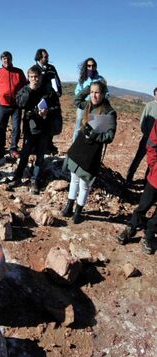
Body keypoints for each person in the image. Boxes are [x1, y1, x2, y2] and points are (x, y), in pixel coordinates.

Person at [61, 81, 116, 224]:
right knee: (74, 180)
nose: (94, 95)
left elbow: (109, 137)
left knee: (84, 184)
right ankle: (69, 207)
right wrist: (87, 88)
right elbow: (76, 100)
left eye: (97, 92)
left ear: (104, 94)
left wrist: (94, 135)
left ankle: (78, 212)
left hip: (92, 153)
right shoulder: (88, 105)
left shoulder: (109, 112)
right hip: (79, 148)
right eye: (92, 92)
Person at [7, 65, 61, 194]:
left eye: (36, 77)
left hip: (44, 129)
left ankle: (35, 180)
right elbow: (20, 104)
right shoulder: (25, 90)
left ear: (41, 77)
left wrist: (47, 112)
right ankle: (17, 177)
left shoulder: (48, 90)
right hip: (30, 129)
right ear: (28, 77)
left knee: (40, 156)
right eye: (31, 77)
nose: (34, 79)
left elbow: (56, 107)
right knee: (24, 154)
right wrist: (30, 90)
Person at [116, 110, 157, 255]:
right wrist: (153, 165)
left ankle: (149, 235)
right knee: (143, 205)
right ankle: (131, 227)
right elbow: (152, 143)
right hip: (155, 177)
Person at [0, 51, 26, 159]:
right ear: (1, 60)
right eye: (4, 58)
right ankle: (0, 148)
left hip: (16, 106)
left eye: (8, 58)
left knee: (16, 128)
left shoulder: (19, 72)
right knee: (2, 127)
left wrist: (21, 97)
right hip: (2, 104)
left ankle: (13, 148)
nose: (6, 60)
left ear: (12, 59)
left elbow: (24, 86)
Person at [125, 86, 157, 184]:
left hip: (156, 141)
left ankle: (147, 182)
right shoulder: (149, 105)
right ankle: (129, 178)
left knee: (152, 162)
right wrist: (146, 134)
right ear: (154, 95)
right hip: (147, 138)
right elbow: (143, 121)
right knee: (138, 158)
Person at [35, 48, 62, 155]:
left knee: (51, 122)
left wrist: (59, 91)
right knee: (40, 122)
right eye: (45, 57)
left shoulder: (51, 68)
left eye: (47, 57)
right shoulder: (34, 68)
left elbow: (57, 81)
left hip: (51, 99)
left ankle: (49, 143)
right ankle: (38, 145)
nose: (47, 58)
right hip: (40, 100)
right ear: (39, 57)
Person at [73, 58, 106, 143]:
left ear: (95, 67)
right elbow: (77, 92)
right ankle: (73, 150)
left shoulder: (100, 79)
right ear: (86, 67)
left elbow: (106, 93)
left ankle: (86, 151)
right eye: (89, 66)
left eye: (93, 66)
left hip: (96, 107)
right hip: (83, 106)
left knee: (91, 129)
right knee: (78, 128)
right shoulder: (82, 79)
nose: (91, 68)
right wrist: (84, 95)